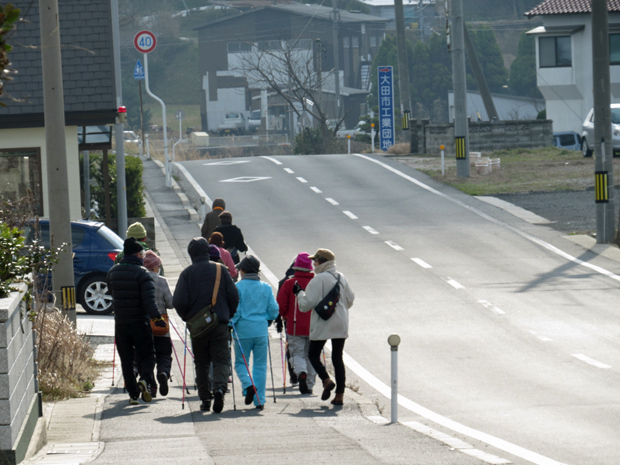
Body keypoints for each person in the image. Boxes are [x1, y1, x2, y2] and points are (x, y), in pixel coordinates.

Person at [173, 237, 239, 413]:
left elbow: (178, 301)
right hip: (219, 323)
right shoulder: (220, 270)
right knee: (221, 359)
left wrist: (188, 317)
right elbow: (234, 296)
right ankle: (219, 389)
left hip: (198, 326)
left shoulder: (187, 273)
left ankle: (205, 399)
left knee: (201, 362)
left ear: (191, 254)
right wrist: (227, 314)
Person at [107, 237, 166, 405]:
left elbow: (112, 292)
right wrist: (157, 318)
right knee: (147, 355)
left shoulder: (113, 272)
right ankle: (145, 380)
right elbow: (149, 301)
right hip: (140, 322)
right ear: (138, 254)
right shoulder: (142, 273)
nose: (142, 257)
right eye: (141, 254)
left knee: (126, 358)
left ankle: (133, 394)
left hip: (121, 323)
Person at [294, 248, 354, 406]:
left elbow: (306, 305)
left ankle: (326, 379)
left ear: (322, 262)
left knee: (313, 354)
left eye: (315, 261)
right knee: (337, 357)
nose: (313, 264)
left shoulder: (318, 279)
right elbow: (350, 300)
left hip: (323, 321)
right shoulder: (342, 277)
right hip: (341, 322)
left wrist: (299, 293)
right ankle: (339, 395)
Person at [230, 255, 279, 410]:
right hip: (261, 330)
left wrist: (232, 323)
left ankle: (248, 385)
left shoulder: (237, 287)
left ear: (243, 270)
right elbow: (273, 310)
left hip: (242, 330)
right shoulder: (266, 287)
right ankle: (260, 400)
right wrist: (268, 319)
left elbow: (236, 312)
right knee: (260, 365)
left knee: (240, 362)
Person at [277, 252, 316, 395]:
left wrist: (284, 316)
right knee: (312, 355)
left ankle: (301, 372)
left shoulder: (289, 283)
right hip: (315, 326)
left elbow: (281, 306)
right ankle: (310, 385)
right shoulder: (316, 282)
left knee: (296, 354)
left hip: (294, 325)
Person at [143, 250, 173, 398]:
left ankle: (152, 387)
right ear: (155, 267)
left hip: (144, 325)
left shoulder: (140, 279)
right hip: (161, 325)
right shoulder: (162, 281)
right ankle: (163, 372)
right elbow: (171, 303)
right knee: (164, 354)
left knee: (147, 356)